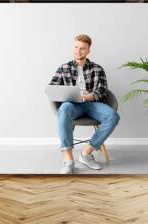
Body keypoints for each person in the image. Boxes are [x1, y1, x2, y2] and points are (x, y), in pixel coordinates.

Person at [49, 34, 120, 174]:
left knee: (113, 116)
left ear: (88, 51)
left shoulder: (97, 69)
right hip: (72, 105)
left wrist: (89, 96)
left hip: (92, 104)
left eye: (82, 48)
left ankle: (86, 154)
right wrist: (63, 95)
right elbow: (52, 88)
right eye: (76, 47)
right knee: (65, 108)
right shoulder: (64, 68)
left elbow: (102, 90)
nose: (78, 51)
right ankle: (68, 160)